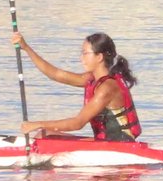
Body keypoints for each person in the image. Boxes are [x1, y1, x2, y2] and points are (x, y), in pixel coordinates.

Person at [14, 31, 143, 141]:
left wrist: (38, 124)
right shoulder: (92, 78)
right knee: (45, 134)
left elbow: (78, 123)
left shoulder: (107, 88)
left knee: (42, 133)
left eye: (85, 53)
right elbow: (56, 74)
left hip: (120, 146)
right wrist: (26, 48)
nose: (81, 58)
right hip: (105, 143)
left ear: (99, 57)